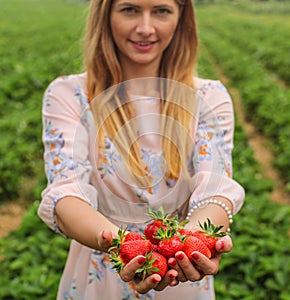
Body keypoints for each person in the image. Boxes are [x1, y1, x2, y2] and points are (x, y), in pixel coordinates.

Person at [38, 0, 245, 299]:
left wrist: (194, 238)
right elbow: (66, 192)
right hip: (102, 276)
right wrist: (121, 243)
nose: (145, 28)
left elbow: (217, 187)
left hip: (180, 274)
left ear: (181, 17)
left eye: (161, 10)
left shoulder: (208, 98)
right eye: (130, 9)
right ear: (106, 15)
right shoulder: (69, 95)